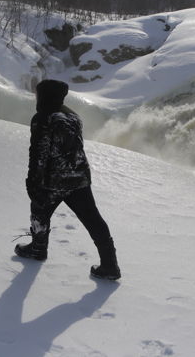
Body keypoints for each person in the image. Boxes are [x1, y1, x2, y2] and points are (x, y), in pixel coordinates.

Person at [15, 79, 121, 281]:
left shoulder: (43, 118)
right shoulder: (73, 116)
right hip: (79, 177)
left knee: (39, 212)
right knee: (93, 219)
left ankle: (38, 249)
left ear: (45, 95)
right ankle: (110, 265)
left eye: (38, 94)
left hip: (52, 181)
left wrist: (33, 182)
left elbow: (38, 154)